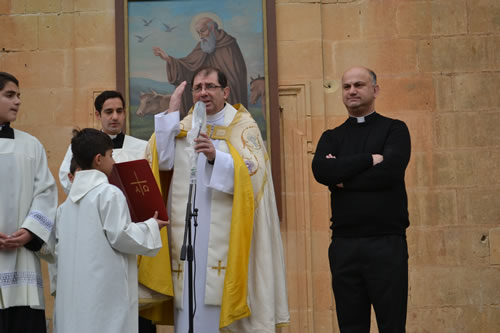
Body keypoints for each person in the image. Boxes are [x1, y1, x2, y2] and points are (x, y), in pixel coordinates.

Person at [152, 67, 289, 332]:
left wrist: (218, 158)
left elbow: (255, 173)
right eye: (197, 87)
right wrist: (171, 113)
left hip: (228, 235)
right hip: (187, 236)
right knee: (190, 300)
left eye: (210, 86)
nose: (203, 92)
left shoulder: (243, 126)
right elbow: (162, 161)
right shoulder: (185, 127)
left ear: (225, 91)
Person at [312, 66, 411, 332]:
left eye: (359, 85)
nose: (352, 91)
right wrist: (369, 159)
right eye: (347, 87)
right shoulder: (331, 137)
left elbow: (389, 173)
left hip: (386, 243)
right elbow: (321, 171)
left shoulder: (395, 129)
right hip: (344, 245)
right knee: (350, 327)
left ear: (375, 90)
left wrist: (342, 178)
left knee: (392, 326)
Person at [54, 128, 169, 333]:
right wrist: (152, 225)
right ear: (99, 159)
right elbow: (122, 236)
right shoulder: (108, 193)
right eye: (111, 155)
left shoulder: (64, 207)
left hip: (75, 298)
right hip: (103, 295)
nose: (114, 162)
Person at [0, 72, 58, 332]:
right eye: (10, 95)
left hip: (22, 255)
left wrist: (30, 231)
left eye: (18, 95)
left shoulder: (31, 145)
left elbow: (45, 191)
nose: (18, 101)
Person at [153, 16, 248, 117]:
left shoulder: (229, 44)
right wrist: (168, 59)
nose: (201, 36)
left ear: (212, 29)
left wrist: (218, 88)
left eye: (203, 31)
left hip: (224, 98)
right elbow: (188, 66)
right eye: (198, 33)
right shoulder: (202, 46)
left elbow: (236, 76)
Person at [58, 90, 148, 194]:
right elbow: (66, 178)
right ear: (97, 115)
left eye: (119, 111)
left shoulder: (143, 147)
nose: (115, 117)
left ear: (124, 113)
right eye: (109, 112)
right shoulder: (81, 145)